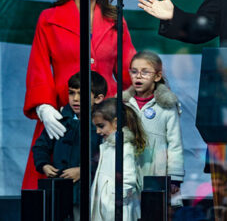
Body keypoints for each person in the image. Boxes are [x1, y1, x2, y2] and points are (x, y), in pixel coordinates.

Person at [23, 0, 137, 189]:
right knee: (58, 186)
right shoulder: (49, 19)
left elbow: (128, 69)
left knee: (105, 183)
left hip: (105, 113)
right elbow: (39, 65)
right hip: (64, 113)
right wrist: (44, 106)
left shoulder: (116, 19)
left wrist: (148, 94)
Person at [32, 71, 108, 221]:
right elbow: (41, 146)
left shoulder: (101, 124)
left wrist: (84, 170)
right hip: (59, 191)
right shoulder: (59, 119)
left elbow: (107, 157)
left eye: (82, 94)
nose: (76, 99)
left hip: (89, 192)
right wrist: (44, 165)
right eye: (71, 93)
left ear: (98, 98)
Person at [123, 51, 184, 204]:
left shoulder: (167, 107)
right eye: (134, 71)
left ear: (157, 76)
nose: (138, 76)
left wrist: (175, 178)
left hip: (157, 169)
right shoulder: (123, 104)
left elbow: (175, 144)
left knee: (154, 209)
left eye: (145, 72)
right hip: (129, 168)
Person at [91, 98, 146, 221]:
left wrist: (116, 201)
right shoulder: (108, 146)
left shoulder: (124, 147)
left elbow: (128, 179)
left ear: (116, 123)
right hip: (108, 207)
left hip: (119, 210)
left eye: (101, 126)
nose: (97, 131)